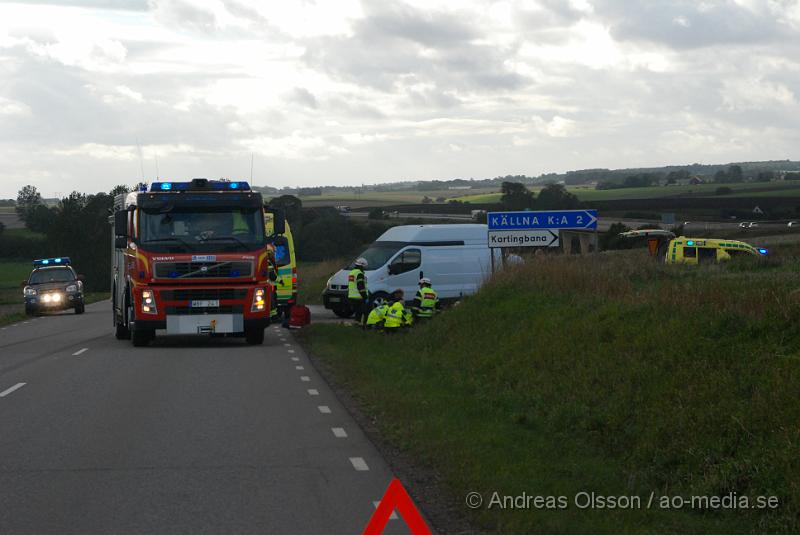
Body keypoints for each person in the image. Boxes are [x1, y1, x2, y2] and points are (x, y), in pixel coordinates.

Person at [347, 257, 369, 326]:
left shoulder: (352, 273)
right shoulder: (359, 274)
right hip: (359, 297)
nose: (365, 269)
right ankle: (364, 326)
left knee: (358, 313)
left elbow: (353, 285)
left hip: (352, 297)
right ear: (362, 266)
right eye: (364, 267)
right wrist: (365, 297)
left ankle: (357, 326)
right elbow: (361, 287)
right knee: (366, 312)